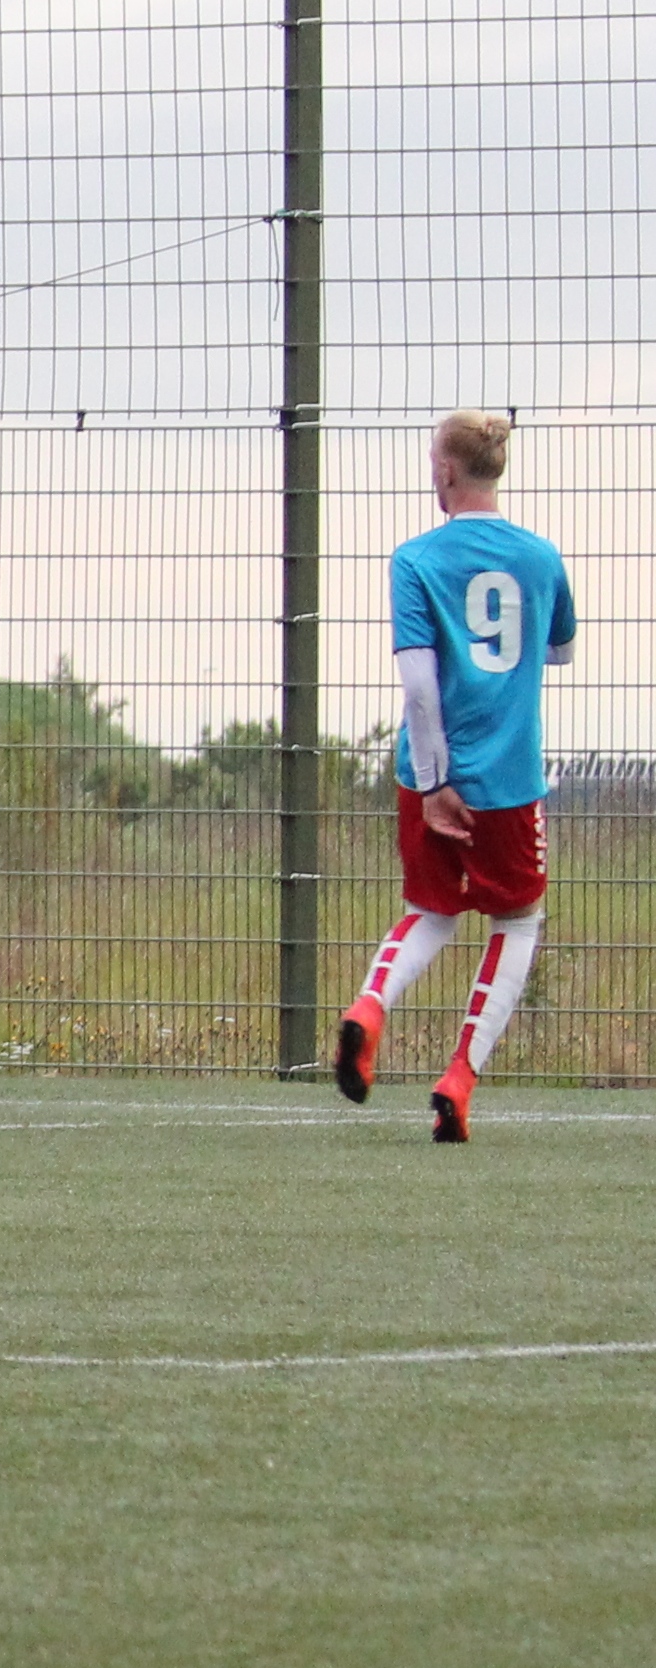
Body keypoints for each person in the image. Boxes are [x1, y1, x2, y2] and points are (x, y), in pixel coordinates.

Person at [334, 409, 576, 1143]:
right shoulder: (541, 557)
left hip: (426, 776)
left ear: (445, 470)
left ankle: (369, 1007)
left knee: (430, 911)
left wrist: (435, 780)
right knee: (518, 920)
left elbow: (418, 683)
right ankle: (459, 1080)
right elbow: (561, 650)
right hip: (510, 780)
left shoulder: (414, 560)